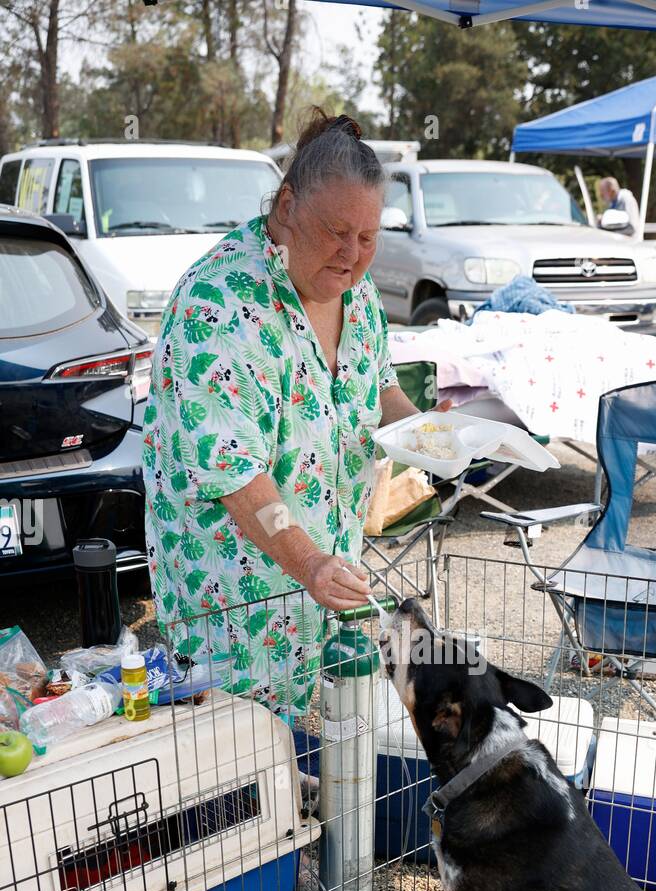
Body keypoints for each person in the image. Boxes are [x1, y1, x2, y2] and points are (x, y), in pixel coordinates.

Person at [142, 108, 443, 719]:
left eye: (368, 238)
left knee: (328, 767)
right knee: (239, 772)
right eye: (337, 232)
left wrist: (436, 435)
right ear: (286, 207)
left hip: (326, 587)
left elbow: (377, 388)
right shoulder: (218, 304)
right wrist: (310, 565)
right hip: (235, 602)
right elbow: (233, 474)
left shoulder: (353, 291)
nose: (353, 256)